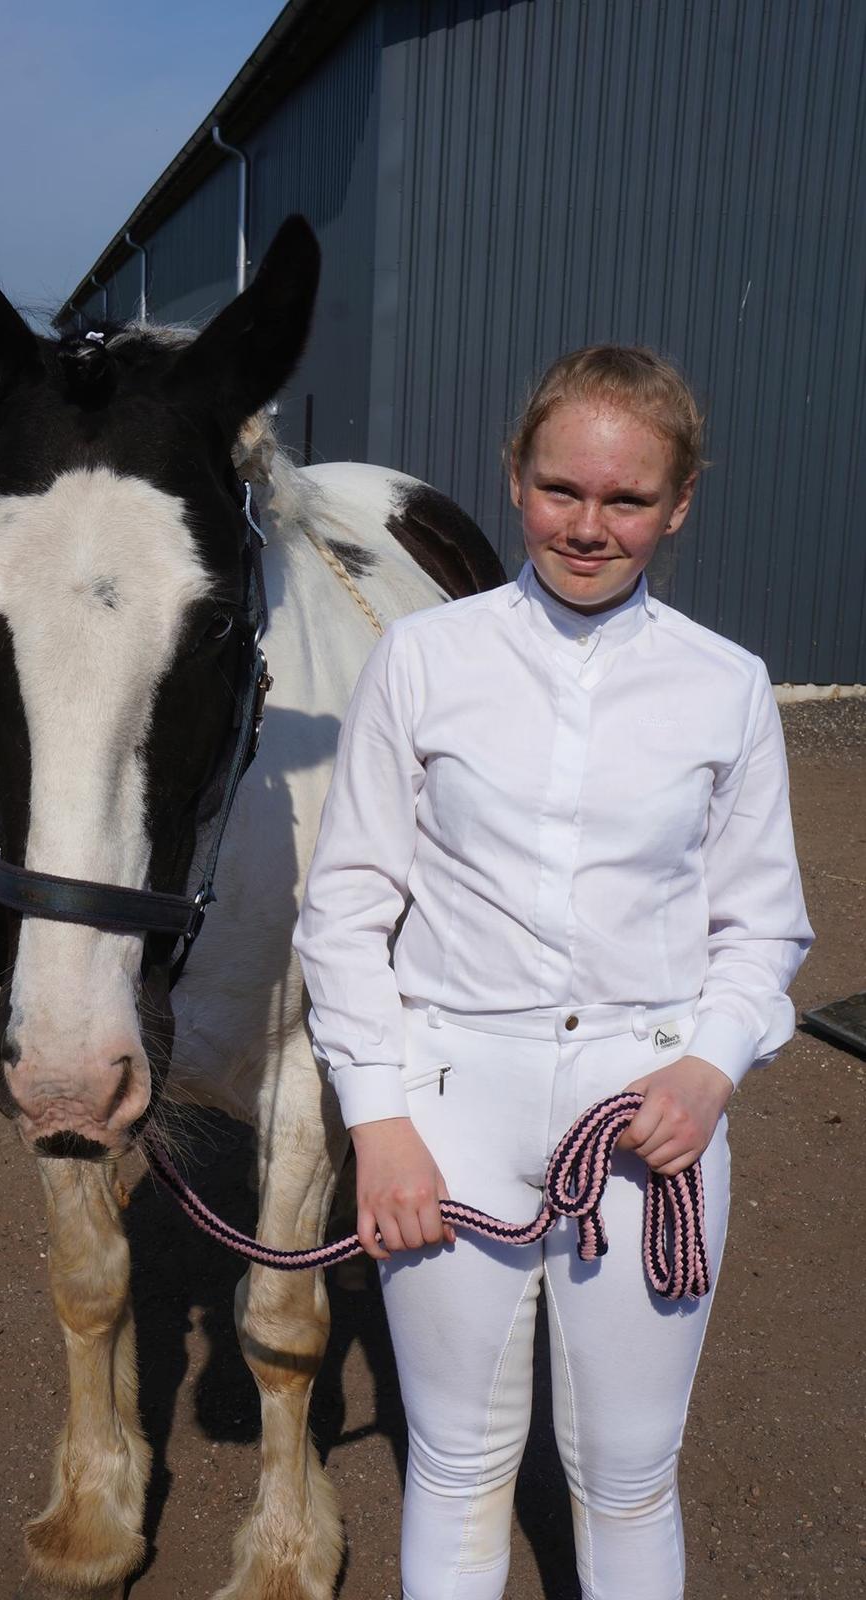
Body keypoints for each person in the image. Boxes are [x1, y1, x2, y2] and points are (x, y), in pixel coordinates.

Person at [292, 345, 813, 1600]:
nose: (589, 526)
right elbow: (347, 906)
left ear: (678, 504)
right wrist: (381, 1122)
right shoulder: (423, 662)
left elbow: (764, 927)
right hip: (450, 1101)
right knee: (462, 1463)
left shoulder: (726, 687)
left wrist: (709, 1070)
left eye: (627, 500)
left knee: (630, 1473)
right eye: (560, 489)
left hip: (649, 1116)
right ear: (517, 480)